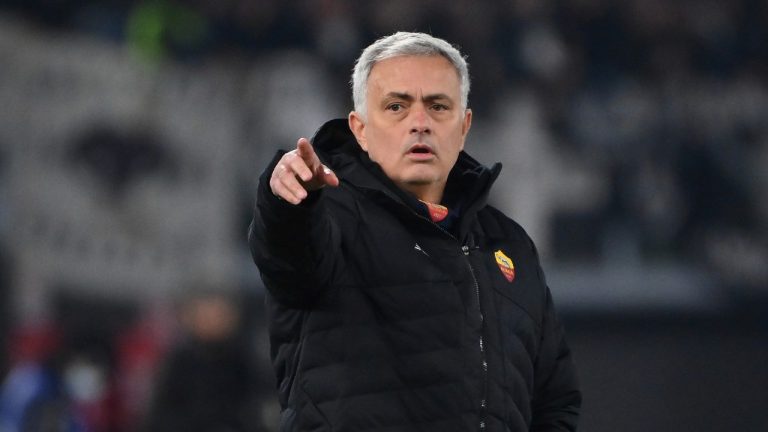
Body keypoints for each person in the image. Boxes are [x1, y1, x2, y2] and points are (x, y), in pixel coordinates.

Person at [249, 31, 581, 431]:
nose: (420, 123)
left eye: (438, 107)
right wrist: (288, 201)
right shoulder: (329, 215)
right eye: (396, 107)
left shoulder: (510, 244)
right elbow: (288, 257)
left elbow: (555, 400)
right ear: (360, 129)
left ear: (464, 126)